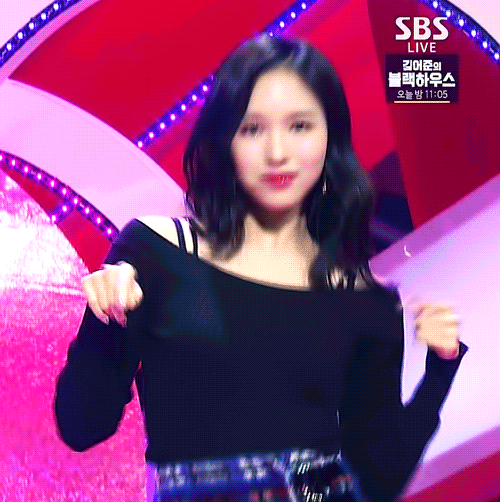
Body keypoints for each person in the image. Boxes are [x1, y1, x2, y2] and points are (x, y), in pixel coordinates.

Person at [54, 34, 467, 502]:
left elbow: (377, 479)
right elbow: (81, 426)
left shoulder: (365, 299)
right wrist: (106, 319)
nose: (277, 153)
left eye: (300, 126)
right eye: (252, 129)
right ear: (223, 141)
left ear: (330, 137)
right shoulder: (156, 252)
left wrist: (440, 369)